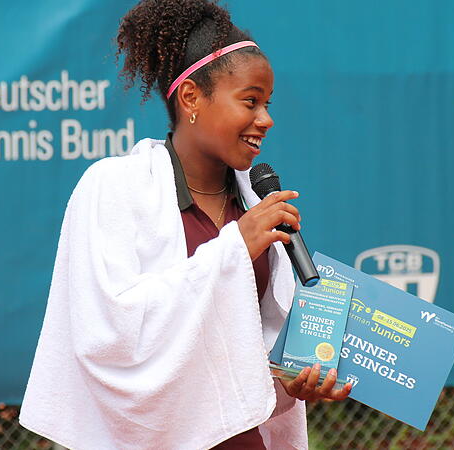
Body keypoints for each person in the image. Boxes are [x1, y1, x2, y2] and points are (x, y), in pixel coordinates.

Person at [19, 0, 351, 448]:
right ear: (192, 98)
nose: (266, 119)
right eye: (250, 101)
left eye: (267, 104)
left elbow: (249, 342)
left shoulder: (253, 199)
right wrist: (235, 247)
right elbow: (109, 335)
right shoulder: (112, 187)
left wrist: (292, 377)